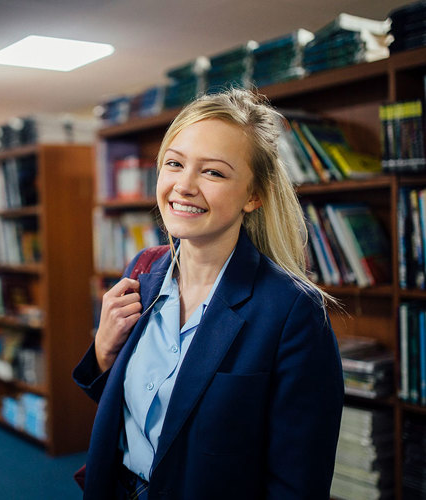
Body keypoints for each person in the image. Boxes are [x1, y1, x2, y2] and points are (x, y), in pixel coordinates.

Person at [73, 88, 344, 500]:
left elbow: (298, 481)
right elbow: (134, 413)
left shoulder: (293, 312)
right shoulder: (143, 270)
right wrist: (102, 354)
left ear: (254, 195)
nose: (183, 185)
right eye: (174, 164)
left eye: (213, 172)